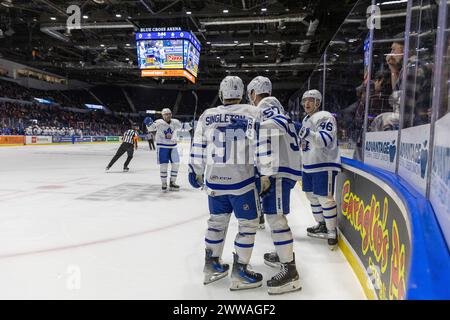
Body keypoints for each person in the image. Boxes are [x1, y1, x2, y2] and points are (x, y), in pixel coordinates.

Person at [188, 75, 263, 290]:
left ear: (221, 94)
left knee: (216, 223)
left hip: (214, 182)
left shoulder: (207, 115)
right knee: (247, 225)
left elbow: (198, 146)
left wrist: (195, 170)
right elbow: (263, 145)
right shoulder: (253, 112)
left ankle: (211, 265)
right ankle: (240, 271)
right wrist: (265, 173)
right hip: (242, 182)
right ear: (242, 94)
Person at [246, 76, 302, 295]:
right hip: (281, 168)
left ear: (253, 92)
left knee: (276, 218)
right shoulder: (275, 105)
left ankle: (290, 272)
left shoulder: (266, 106)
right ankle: (283, 255)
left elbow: (273, 128)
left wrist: (265, 172)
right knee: (275, 217)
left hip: (277, 171)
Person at [299, 89, 341, 250]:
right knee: (312, 197)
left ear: (318, 102)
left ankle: (331, 231)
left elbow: (324, 140)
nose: (307, 103)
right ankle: (322, 224)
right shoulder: (306, 119)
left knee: (325, 198)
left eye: (311, 100)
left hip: (324, 164)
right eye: (305, 100)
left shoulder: (325, 116)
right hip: (308, 165)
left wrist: (303, 131)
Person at [146, 108, 187, 191]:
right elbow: (151, 128)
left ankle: (172, 182)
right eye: (166, 114)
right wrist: (148, 124)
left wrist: (191, 124)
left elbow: (184, 126)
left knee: (176, 164)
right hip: (163, 147)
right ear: (163, 115)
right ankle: (164, 183)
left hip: (173, 146)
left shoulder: (175, 122)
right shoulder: (158, 122)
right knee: (164, 165)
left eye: (169, 114)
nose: (168, 115)